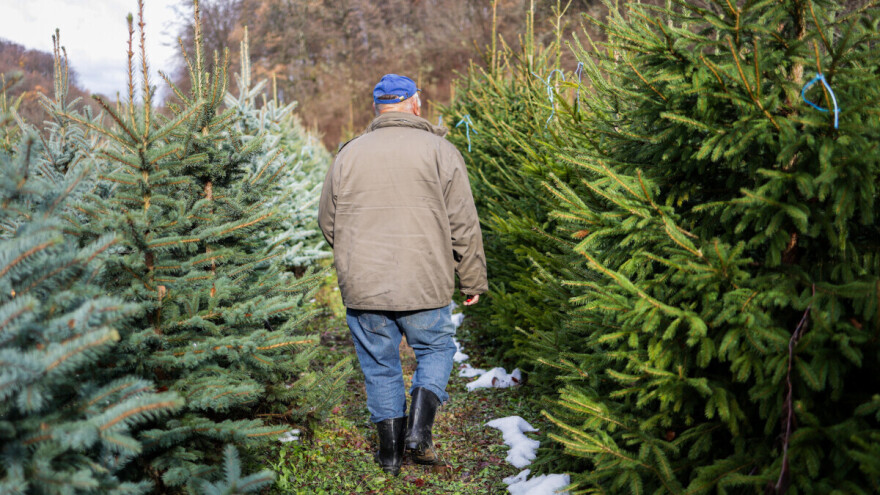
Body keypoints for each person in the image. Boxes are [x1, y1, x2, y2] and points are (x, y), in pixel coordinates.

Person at [318, 74, 488, 476]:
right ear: (415, 103)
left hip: (364, 288)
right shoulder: (441, 151)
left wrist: (354, 259)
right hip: (425, 284)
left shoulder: (348, 154)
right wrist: (472, 278)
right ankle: (419, 431)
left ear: (379, 107)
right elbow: (464, 222)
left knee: (379, 365)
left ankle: (390, 456)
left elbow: (328, 221)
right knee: (436, 349)